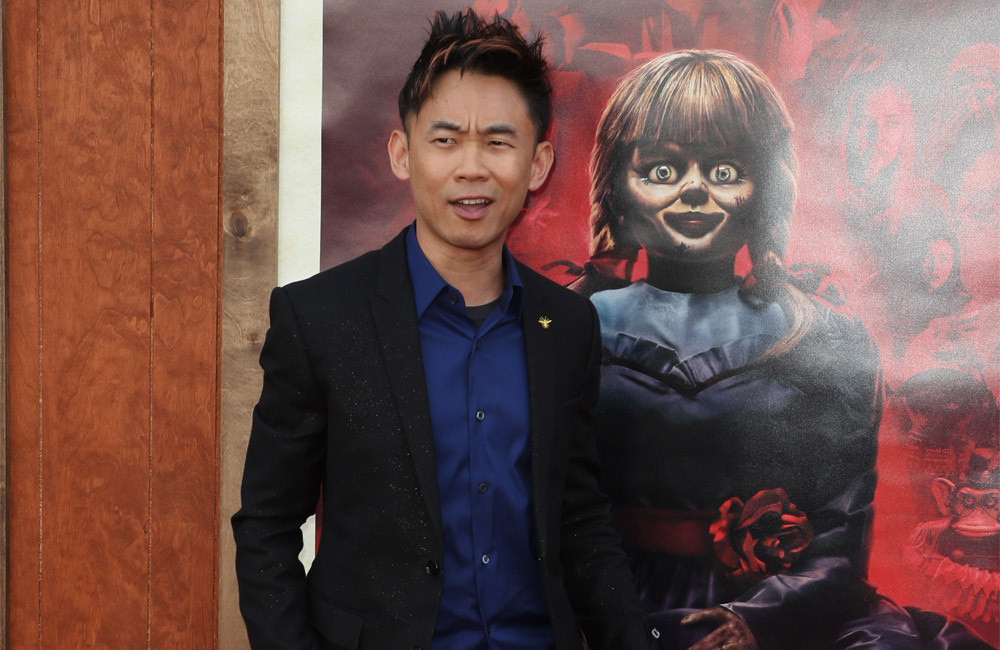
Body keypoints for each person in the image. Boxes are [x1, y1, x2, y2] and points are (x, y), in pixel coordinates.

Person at [231, 9, 659, 650]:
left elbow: (580, 521)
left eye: (498, 142)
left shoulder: (568, 324)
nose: (471, 168)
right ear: (402, 153)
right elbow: (266, 526)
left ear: (538, 164)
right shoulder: (319, 319)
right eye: (446, 140)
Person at [572, 50, 933, 649]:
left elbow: (841, 535)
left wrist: (759, 620)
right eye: (662, 170)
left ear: (765, 185)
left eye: (725, 170)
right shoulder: (562, 330)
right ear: (618, 186)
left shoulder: (823, 339)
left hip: (779, 618)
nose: (693, 190)